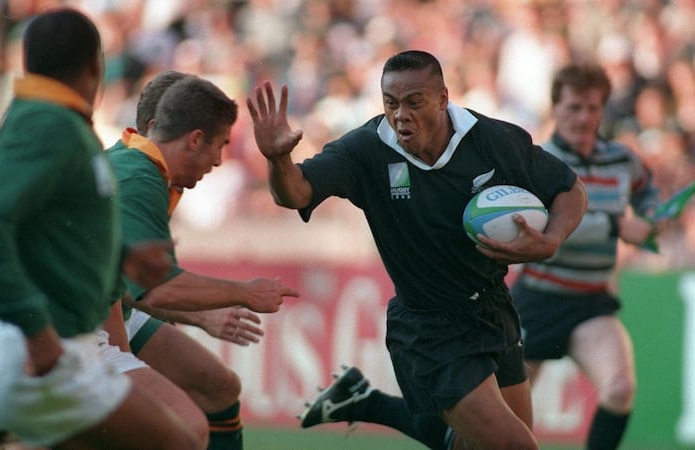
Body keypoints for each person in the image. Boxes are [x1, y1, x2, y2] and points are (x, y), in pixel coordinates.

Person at [247, 50, 588, 450]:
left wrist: (552, 239)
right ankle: (370, 403)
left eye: (414, 101)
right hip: (429, 329)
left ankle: (368, 403)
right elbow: (295, 192)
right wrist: (277, 158)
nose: (400, 114)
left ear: (443, 99)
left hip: (494, 309)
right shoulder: (366, 150)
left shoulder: (493, 140)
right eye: (391, 103)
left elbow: (569, 189)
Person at [0, 8, 203, 450]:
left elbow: (43, 229)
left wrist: (121, 257)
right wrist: (36, 330)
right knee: (180, 441)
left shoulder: (40, 118)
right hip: (38, 349)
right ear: (95, 68)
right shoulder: (54, 127)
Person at [106, 72, 301, 450]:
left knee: (218, 386)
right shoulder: (138, 179)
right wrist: (245, 293)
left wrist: (200, 314)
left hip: (106, 312)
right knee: (186, 428)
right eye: (219, 146)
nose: (218, 161)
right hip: (69, 328)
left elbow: (129, 284)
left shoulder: (139, 170)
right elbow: (158, 291)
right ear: (194, 138)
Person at [511, 62, 661, 450]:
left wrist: (650, 218)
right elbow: (550, 226)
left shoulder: (621, 159)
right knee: (506, 420)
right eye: (574, 107)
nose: (584, 117)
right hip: (537, 302)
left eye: (593, 108)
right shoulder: (538, 161)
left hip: (591, 301)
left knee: (619, 389)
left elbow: (648, 190)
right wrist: (617, 226)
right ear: (555, 109)